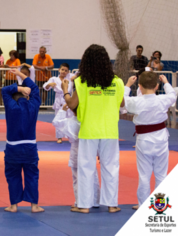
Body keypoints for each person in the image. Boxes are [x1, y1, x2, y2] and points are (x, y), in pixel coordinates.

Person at [63, 44, 124, 214]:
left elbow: (72, 104)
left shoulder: (82, 82)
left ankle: (84, 205)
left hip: (89, 129)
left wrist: (65, 91)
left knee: (86, 167)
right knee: (111, 167)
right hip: (110, 129)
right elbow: (122, 103)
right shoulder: (117, 82)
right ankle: (112, 205)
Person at [122, 73, 176, 210]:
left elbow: (121, 100)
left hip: (144, 141)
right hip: (161, 139)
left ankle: (143, 204)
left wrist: (127, 85)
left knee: (144, 175)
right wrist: (166, 82)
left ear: (139, 86)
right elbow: (172, 95)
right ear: (157, 86)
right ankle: (160, 205)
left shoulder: (136, 101)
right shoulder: (163, 99)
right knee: (161, 175)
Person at [2, 69, 44, 213]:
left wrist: (19, 87)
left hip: (12, 148)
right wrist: (22, 76)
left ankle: (13, 205)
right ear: (27, 96)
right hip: (30, 147)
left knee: (13, 176)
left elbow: (4, 90)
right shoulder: (33, 106)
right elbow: (35, 89)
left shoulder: (10, 105)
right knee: (32, 175)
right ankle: (34, 206)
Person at [52, 104, 100, 209]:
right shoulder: (90, 122)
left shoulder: (69, 122)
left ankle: (80, 202)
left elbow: (55, 122)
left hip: (76, 151)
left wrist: (63, 111)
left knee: (77, 178)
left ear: (72, 111)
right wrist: (99, 153)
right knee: (93, 176)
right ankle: (95, 201)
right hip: (89, 150)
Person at [43, 63, 76, 143]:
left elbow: (77, 74)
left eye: (66, 70)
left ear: (68, 71)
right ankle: (59, 137)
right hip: (59, 101)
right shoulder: (54, 79)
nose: (64, 72)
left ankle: (70, 136)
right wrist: (49, 85)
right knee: (59, 119)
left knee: (70, 118)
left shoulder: (70, 77)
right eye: (62, 70)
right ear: (59, 70)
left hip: (68, 99)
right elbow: (45, 87)